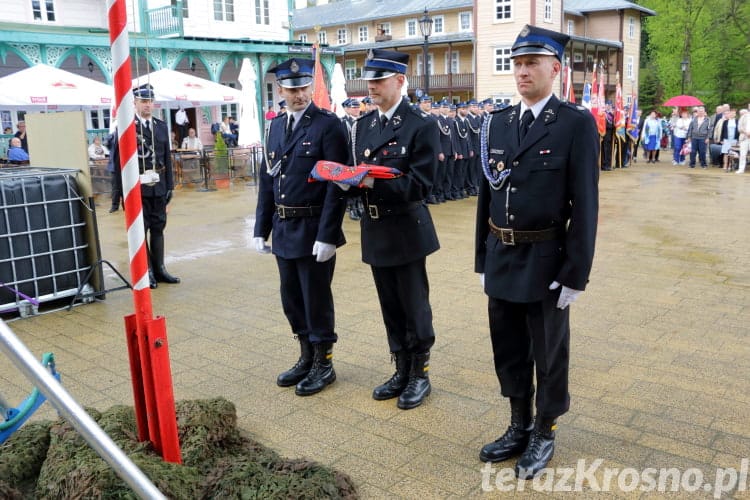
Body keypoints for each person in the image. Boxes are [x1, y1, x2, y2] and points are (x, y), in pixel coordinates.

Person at [475, 25, 599, 479]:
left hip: (546, 259)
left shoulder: (574, 124)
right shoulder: (498, 122)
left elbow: (585, 206)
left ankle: (544, 428)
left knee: (548, 352)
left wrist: (575, 274)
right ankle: (517, 423)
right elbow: (486, 196)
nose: (522, 71)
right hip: (502, 256)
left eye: (531, 63)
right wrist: (481, 258)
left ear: (554, 68)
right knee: (507, 347)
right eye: (517, 63)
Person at [350, 48, 441, 410]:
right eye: (369, 81)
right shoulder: (366, 125)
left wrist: (369, 182)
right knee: (389, 304)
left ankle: (420, 372)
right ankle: (400, 367)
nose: (371, 87)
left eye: (378, 80)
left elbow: (420, 184)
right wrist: (347, 181)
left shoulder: (421, 124)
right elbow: (359, 171)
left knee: (413, 305)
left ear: (400, 80)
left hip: (406, 229)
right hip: (375, 228)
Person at [253, 58, 349, 397]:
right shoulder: (275, 127)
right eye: (292, 89)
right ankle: (306, 355)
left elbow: (337, 184)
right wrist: (259, 228)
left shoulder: (329, 125)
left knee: (316, 298)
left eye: (305, 87)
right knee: (291, 298)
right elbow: (269, 180)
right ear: (280, 90)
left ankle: (324, 362)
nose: (300, 94)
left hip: (313, 229)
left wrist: (328, 235)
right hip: (283, 227)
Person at [110, 83, 180, 288]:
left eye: (150, 101)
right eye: (143, 101)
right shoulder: (125, 127)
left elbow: (166, 157)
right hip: (136, 189)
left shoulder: (160, 126)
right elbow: (117, 163)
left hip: (158, 187)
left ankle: (159, 269)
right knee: (141, 230)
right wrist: (120, 194)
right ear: (134, 103)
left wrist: (170, 187)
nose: (148, 105)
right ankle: (146, 271)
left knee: (158, 228)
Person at [737, 107, 749, 174]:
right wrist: (745, 132)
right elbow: (739, 128)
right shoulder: (741, 118)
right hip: (744, 138)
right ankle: (741, 169)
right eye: (741, 113)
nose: (742, 114)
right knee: (742, 154)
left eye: (743, 113)